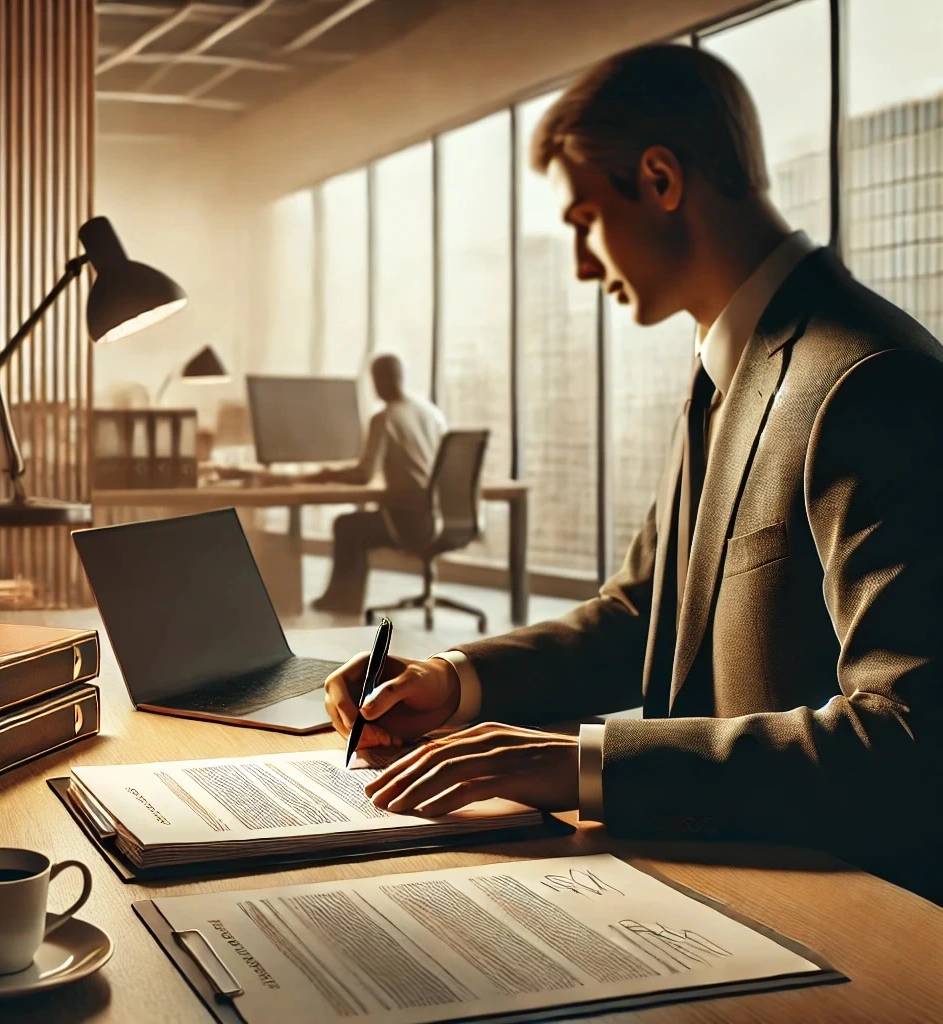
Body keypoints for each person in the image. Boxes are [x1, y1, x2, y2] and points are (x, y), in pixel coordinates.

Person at [324, 44, 943, 901]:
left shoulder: (869, 381)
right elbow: (644, 613)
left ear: (660, 180)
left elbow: (909, 741)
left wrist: (581, 764)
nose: (580, 262)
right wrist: (454, 680)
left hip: (856, 916)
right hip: (712, 885)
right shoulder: (723, 368)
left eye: (582, 219)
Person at [308, 354, 446, 613]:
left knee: (347, 525)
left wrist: (328, 474)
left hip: (407, 520)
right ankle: (344, 600)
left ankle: (343, 602)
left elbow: (364, 475)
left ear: (379, 381)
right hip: (440, 518)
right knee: (356, 524)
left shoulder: (385, 418)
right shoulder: (431, 413)